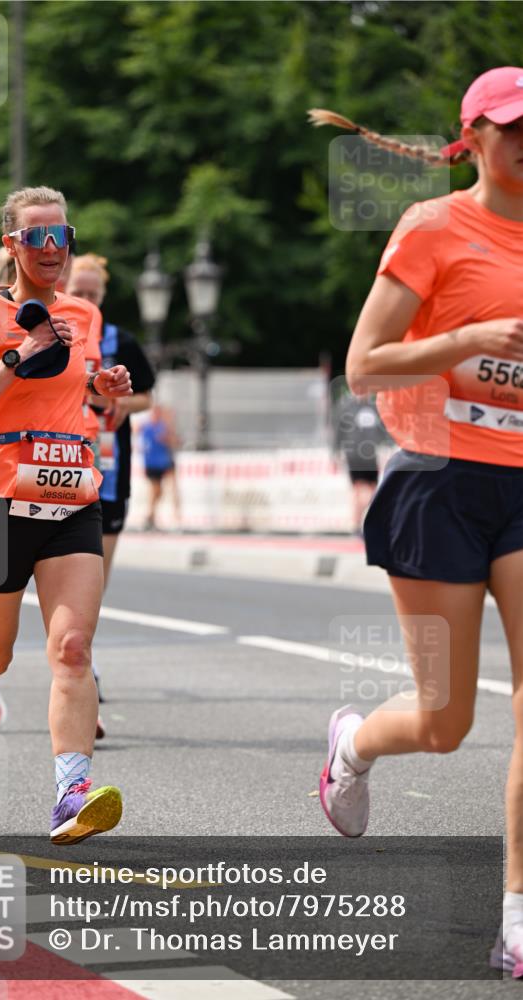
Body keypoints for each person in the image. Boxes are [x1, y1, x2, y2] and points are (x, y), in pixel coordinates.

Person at [310, 66, 523, 977]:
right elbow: (365, 366)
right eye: (512, 127)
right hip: (439, 482)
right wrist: (465, 342)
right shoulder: (434, 226)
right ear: (470, 136)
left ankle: (513, 912)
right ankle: (353, 745)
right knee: (444, 721)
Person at [0, 185, 132, 845]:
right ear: (11, 244)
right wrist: (19, 358)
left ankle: (71, 793)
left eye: (60, 236)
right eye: (36, 236)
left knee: (72, 649)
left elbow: (88, 403)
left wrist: (105, 392)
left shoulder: (85, 314)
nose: (51, 249)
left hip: (72, 498)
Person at [67, 253, 156, 583]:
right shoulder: (49, 335)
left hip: (109, 459)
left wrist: (124, 404)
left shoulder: (121, 341)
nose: (86, 301)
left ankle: (84, 630)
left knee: (96, 576)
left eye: (93, 295)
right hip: (59, 459)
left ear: (103, 297)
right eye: (78, 293)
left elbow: (147, 396)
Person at [332, 390, 388, 533]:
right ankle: (356, 523)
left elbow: (383, 430)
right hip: (355, 455)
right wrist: (336, 451)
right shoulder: (348, 406)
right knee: (360, 490)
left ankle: (357, 523)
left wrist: (384, 444)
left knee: (371, 490)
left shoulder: (374, 407)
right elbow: (339, 431)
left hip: (370, 455)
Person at [140, 403, 181, 530]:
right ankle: (150, 516)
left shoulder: (162, 426)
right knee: (156, 491)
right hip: (153, 464)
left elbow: (174, 441)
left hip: (163, 463)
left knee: (167, 489)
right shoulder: (148, 427)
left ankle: (169, 515)